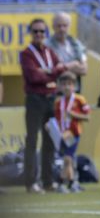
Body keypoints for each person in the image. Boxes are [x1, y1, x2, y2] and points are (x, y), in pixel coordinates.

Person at [21, 19, 66, 193]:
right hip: (35, 99)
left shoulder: (49, 51)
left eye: (42, 31)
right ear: (30, 33)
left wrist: (47, 72)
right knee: (32, 140)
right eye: (35, 31)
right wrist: (52, 73)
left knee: (50, 140)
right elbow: (34, 77)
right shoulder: (26, 54)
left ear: (46, 33)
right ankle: (30, 182)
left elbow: (60, 69)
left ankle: (48, 181)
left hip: (50, 100)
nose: (39, 34)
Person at [53, 71, 90, 192]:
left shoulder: (79, 99)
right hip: (62, 135)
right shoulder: (58, 102)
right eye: (63, 84)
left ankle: (62, 183)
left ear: (75, 86)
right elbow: (57, 119)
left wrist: (73, 114)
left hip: (73, 133)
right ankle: (73, 183)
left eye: (69, 84)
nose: (67, 87)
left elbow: (87, 117)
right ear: (59, 86)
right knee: (68, 159)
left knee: (67, 158)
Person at [46, 12, 88, 93]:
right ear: (53, 27)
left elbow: (84, 70)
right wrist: (74, 64)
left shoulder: (76, 44)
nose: (62, 29)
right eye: (59, 26)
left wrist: (62, 67)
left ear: (69, 26)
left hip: (74, 92)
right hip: (54, 91)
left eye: (65, 26)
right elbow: (49, 70)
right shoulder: (46, 46)